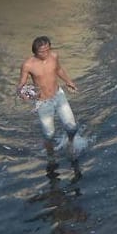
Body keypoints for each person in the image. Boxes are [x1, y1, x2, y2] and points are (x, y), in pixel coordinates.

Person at [17, 36, 84, 175]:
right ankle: (51, 155)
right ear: (35, 51)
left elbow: (58, 69)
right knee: (49, 134)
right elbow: (21, 84)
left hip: (59, 96)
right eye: (42, 51)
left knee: (72, 127)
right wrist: (21, 93)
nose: (46, 53)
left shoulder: (54, 56)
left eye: (48, 49)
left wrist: (68, 81)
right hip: (43, 103)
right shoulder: (28, 65)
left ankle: (70, 144)